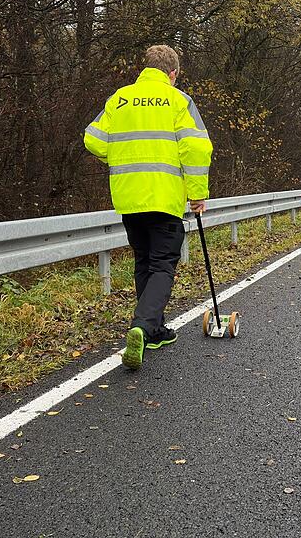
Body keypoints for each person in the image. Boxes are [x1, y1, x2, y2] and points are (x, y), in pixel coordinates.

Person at [84, 45, 213, 370]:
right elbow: (196, 147)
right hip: (164, 197)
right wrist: (197, 193)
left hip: (129, 197)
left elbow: (93, 139)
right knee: (162, 264)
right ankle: (142, 325)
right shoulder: (178, 100)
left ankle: (153, 331)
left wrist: (122, 159)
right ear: (173, 74)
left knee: (144, 260)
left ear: (146, 68)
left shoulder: (120, 99)